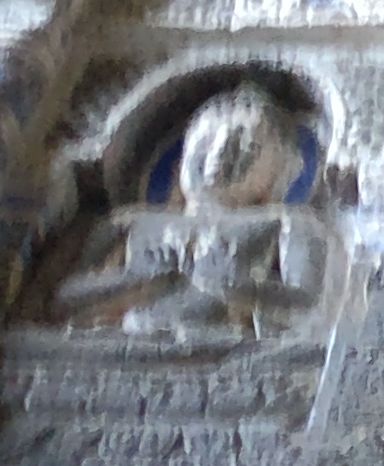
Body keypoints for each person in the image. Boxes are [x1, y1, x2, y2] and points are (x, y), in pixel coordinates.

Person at [47, 85, 343, 347]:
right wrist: (139, 284)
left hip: (227, 356)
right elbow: (64, 301)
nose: (220, 153)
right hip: (132, 350)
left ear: (278, 173)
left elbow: (310, 309)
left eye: (247, 147)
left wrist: (231, 288)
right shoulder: (131, 224)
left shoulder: (286, 225)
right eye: (210, 138)